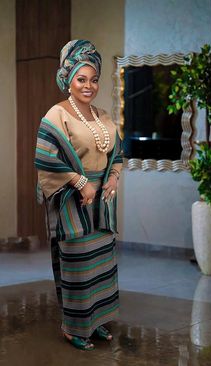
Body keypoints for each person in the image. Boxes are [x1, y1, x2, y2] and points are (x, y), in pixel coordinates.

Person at [35, 40, 123, 350]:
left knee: (100, 264)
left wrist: (112, 177)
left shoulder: (102, 115)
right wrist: (80, 182)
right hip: (74, 203)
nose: (89, 85)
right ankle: (73, 328)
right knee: (78, 265)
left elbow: (117, 152)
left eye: (94, 78)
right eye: (81, 79)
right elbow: (46, 157)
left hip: (101, 204)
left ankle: (95, 322)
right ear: (68, 80)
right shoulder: (57, 114)